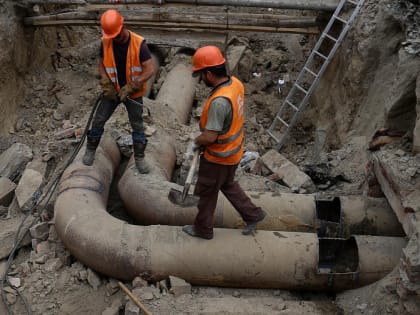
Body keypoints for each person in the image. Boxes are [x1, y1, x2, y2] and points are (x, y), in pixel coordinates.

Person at [182, 46, 266, 240]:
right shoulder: (235, 83)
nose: (200, 79)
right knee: (228, 185)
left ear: (209, 73)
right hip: (234, 153)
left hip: (218, 158)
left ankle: (203, 230)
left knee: (206, 193)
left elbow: (210, 137)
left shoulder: (219, 102)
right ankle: (254, 215)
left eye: (201, 74)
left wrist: (195, 142)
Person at [83, 9, 155, 173]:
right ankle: (90, 150)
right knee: (98, 120)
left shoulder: (139, 44)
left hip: (133, 93)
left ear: (123, 26)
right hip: (113, 92)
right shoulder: (106, 41)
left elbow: (149, 69)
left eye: (116, 35)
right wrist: (105, 81)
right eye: (111, 36)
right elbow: (101, 64)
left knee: (137, 125)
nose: (114, 38)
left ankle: (139, 158)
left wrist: (133, 85)